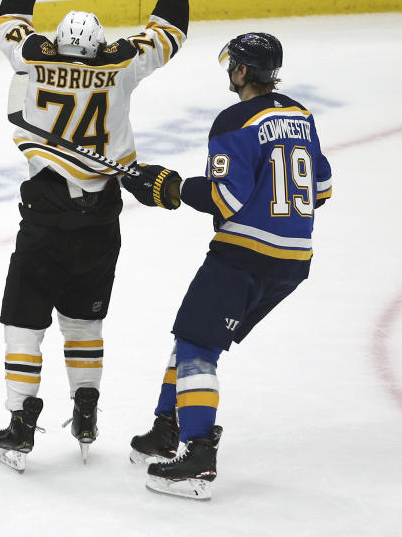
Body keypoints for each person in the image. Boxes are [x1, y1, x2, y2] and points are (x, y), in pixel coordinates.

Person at [0, 0, 203, 470]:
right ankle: (86, 408)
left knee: (23, 322)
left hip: (44, 214)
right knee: (85, 322)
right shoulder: (121, 63)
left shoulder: (34, 58)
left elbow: (7, 21)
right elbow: (166, 33)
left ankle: (19, 421)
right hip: (101, 214)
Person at [122, 32, 332, 500]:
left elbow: (225, 198)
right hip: (293, 263)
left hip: (244, 257)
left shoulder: (235, 120)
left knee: (198, 346)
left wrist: (169, 188)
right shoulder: (300, 114)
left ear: (241, 71)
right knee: (195, 333)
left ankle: (197, 455)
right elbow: (321, 189)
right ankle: (166, 427)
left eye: (231, 65)